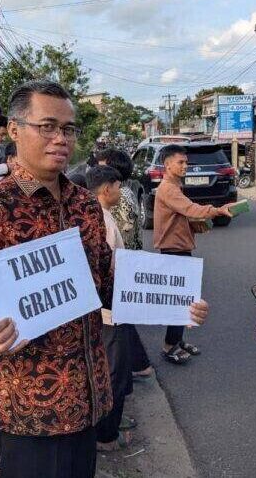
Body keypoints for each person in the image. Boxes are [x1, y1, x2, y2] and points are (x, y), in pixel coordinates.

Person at [0, 80, 211, 478]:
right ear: (15, 130)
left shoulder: (84, 204)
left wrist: (176, 301)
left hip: (87, 395)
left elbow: (107, 280)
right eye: (48, 126)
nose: (61, 139)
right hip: (31, 406)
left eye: (69, 129)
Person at [153, 144, 231, 365]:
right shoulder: (168, 188)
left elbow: (183, 216)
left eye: (186, 162)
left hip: (179, 247)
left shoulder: (175, 186)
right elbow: (190, 209)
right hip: (173, 250)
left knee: (185, 298)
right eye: (181, 162)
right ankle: (169, 346)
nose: (186, 166)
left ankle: (176, 341)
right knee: (180, 301)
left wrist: (196, 225)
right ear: (168, 165)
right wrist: (218, 210)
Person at [86, 165, 134, 451]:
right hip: (109, 309)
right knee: (113, 368)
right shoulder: (99, 221)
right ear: (106, 189)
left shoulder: (101, 216)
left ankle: (109, 425)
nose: (120, 191)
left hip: (116, 303)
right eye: (118, 186)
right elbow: (102, 270)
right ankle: (105, 434)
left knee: (118, 366)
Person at [95, 148, 152, 379]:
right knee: (124, 321)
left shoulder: (119, 201)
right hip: (124, 265)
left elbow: (121, 237)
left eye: (101, 165)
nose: (96, 169)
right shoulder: (121, 197)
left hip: (122, 267)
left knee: (120, 324)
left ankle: (133, 370)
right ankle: (139, 366)